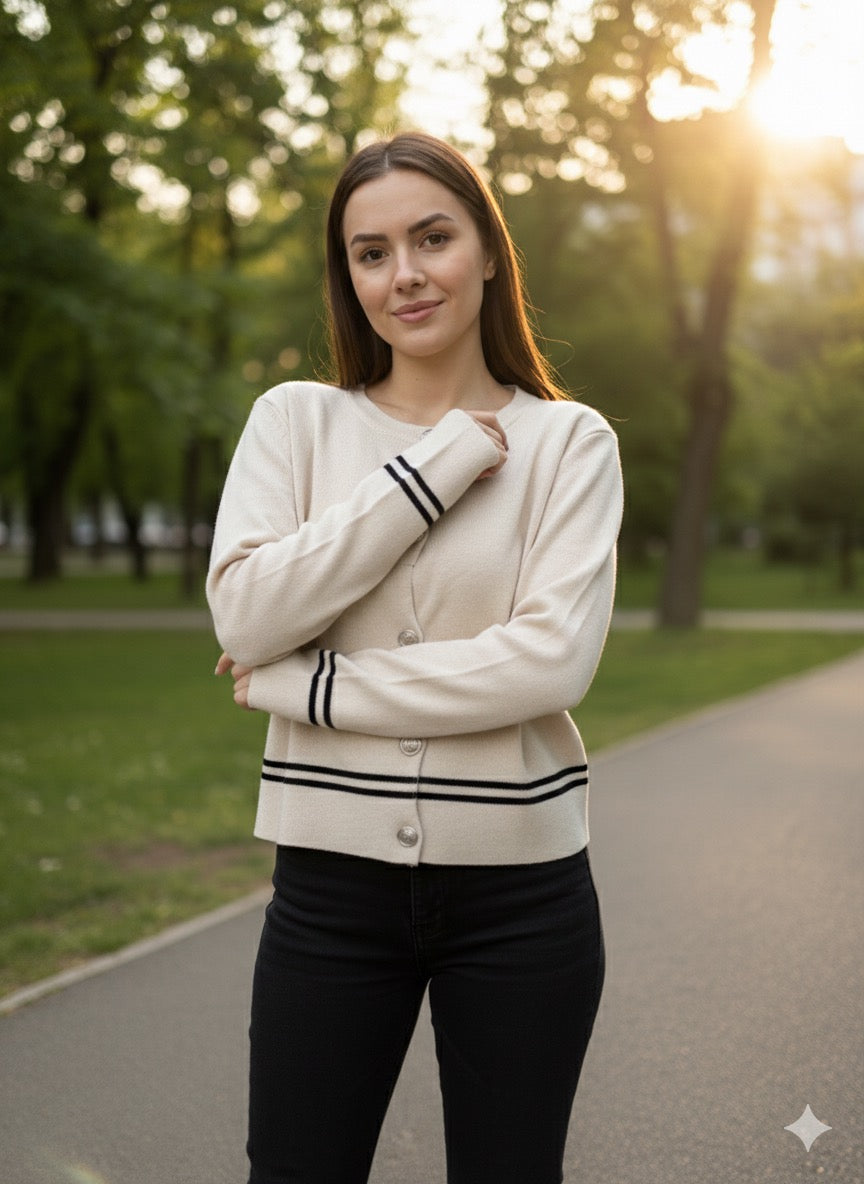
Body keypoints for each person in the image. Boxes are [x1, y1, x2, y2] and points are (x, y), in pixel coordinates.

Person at [207, 131, 623, 1184]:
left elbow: (546, 663)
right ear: (348, 276)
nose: (405, 274)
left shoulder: (572, 445)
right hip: (328, 896)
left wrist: (316, 686)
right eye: (371, 251)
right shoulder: (293, 422)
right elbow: (246, 615)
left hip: (525, 899)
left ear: (487, 250)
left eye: (432, 237)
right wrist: (431, 467)